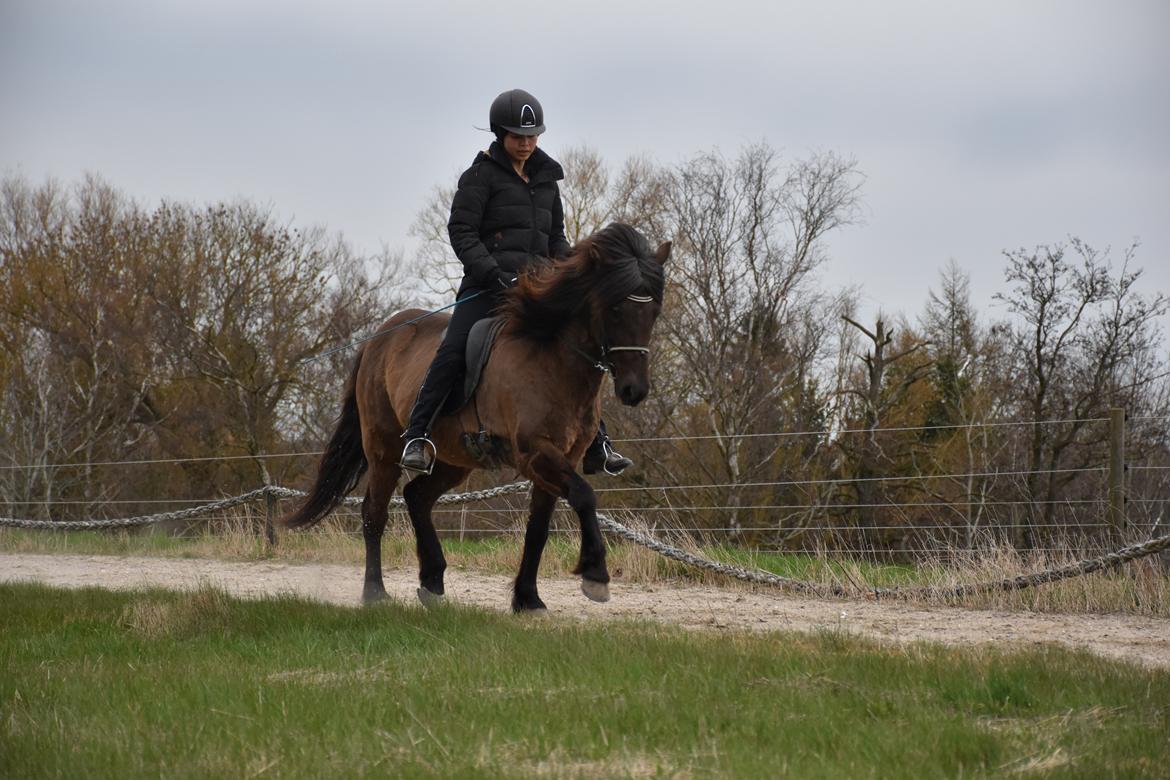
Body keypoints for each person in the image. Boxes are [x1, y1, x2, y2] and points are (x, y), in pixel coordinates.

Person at [399, 88, 633, 477]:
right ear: (500, 135)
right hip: (486, 287)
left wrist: (570, 270)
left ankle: (597, 442)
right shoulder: (479, 177)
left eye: (532, 136)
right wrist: (493, 273)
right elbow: (462, 233)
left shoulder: (546, 180)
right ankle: (418, 434)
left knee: (578, 347)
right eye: (517, 137)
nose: (526, 144)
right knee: (455, 347)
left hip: (537, 291)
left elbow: (554, 238)